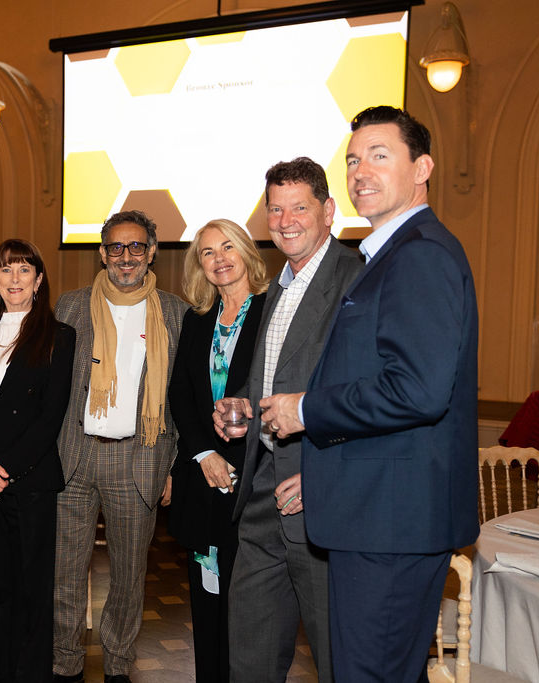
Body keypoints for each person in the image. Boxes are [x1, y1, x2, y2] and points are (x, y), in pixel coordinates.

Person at [261, 106, 479, 682]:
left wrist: (304, 409)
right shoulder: (390, 254)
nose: (361, 171)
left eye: (380, 156)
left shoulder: (420, 253)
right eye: (354, 159)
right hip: (380, 515)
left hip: (392, 522)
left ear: (422, 168)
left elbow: (417, 391)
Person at [213, 158, 362, 682]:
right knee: (249, 656)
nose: (285, 220)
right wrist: (243, 411)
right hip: (261, 492)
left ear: (328, 211)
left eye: (299, 207)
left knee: (338, 659)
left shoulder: (356, 278)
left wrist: (324, 474)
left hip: (318, 498)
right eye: (275, 209)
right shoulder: (278, 285)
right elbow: (280, 380)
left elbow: (370, 395)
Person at [52, 210, 188, 683]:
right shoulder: (70, 306)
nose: (125, 256)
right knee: (65, 573)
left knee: (129, 577)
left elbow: (183, 397)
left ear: (152, 252)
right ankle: (65, 664)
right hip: (74, 455)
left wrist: (174, 466)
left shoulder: (175, 313)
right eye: (116, 247)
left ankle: (118, 666)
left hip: (139, 457)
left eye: (136, 247)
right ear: (102, 252)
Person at [0, 239, 75, 683]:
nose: (15, 279)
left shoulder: (59, 336)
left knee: (32, 594)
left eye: (25, 270)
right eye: (6, 270)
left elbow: (50, 417)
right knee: (1, 591)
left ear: (39, 280)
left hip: (29, 483)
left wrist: (0, 471)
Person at [167, 219, 268, 682]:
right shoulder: (197, 318)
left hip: (255, 481)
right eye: (207, 252)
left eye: (228, 247)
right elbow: (181, 395)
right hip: (203, 480)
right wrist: (204, 455)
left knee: (249, 608)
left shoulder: (271, 309)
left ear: (246, 251)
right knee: (206, 604)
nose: (219, 259)